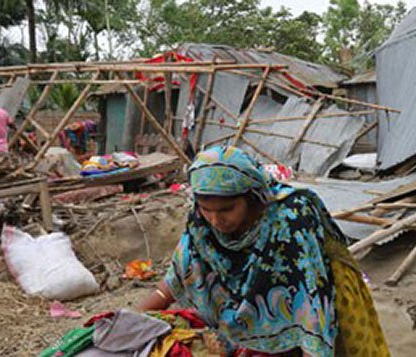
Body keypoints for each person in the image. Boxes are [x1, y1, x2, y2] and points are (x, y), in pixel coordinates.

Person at [136, 146, 389, 357]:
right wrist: (131, 319)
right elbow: (180, 273)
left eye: (226, 209)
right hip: (244, 322)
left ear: (252, 196)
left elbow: (310, 305)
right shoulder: (201, 225)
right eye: (206, 209)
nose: (215, 220)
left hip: (305, 311)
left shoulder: (290, 219)